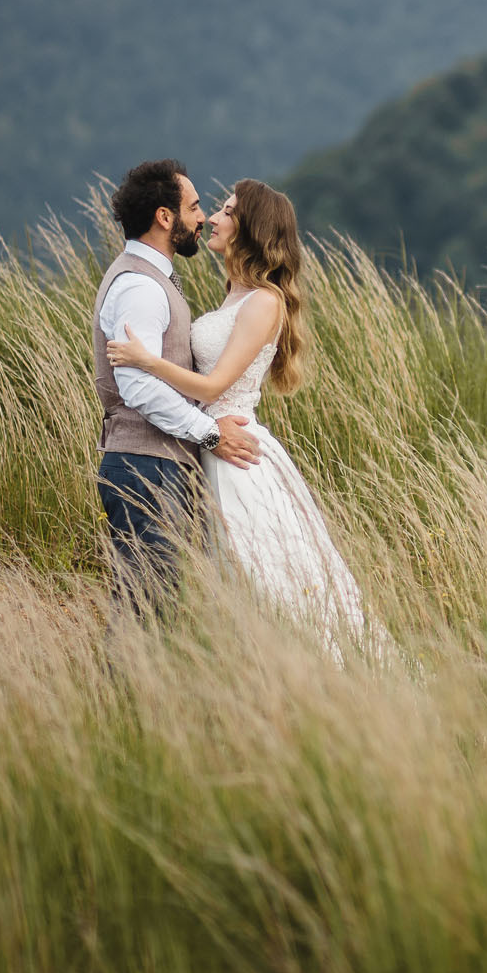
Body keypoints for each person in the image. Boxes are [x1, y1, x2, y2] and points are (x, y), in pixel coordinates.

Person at [108, 177, 379, 658]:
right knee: (226, 575)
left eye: (226, 211)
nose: (212, 217)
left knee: (264, 573)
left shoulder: (264, 301)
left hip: (235, 449)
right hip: (210, 444)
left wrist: (147, 362)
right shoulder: (234, 293)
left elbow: (214, 388)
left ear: (249, 228)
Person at [93, 159, 260, 620]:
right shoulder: (140, 288)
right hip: (146, 464)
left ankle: (133, 689)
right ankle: (122, 690)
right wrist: (209, 433)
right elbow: (139, 388)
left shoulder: (149, 280)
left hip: (156, 462)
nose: (204, 217)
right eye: (194, 207)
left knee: (156, 605)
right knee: (144, 607)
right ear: (164, 218)